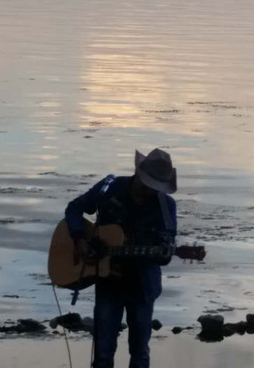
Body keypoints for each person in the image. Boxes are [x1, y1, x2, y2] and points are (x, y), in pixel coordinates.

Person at [64, 148, 178, 368]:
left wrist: (164, 252)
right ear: (138, 175)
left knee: (140, 354)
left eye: (157, 187)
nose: (152, 191)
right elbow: (74, 210)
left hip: (143, 287)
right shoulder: (109, 189)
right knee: (103, 356)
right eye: (149, 185)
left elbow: (165, 253)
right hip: (109, 285)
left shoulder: (166, 206)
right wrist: (80, 240)